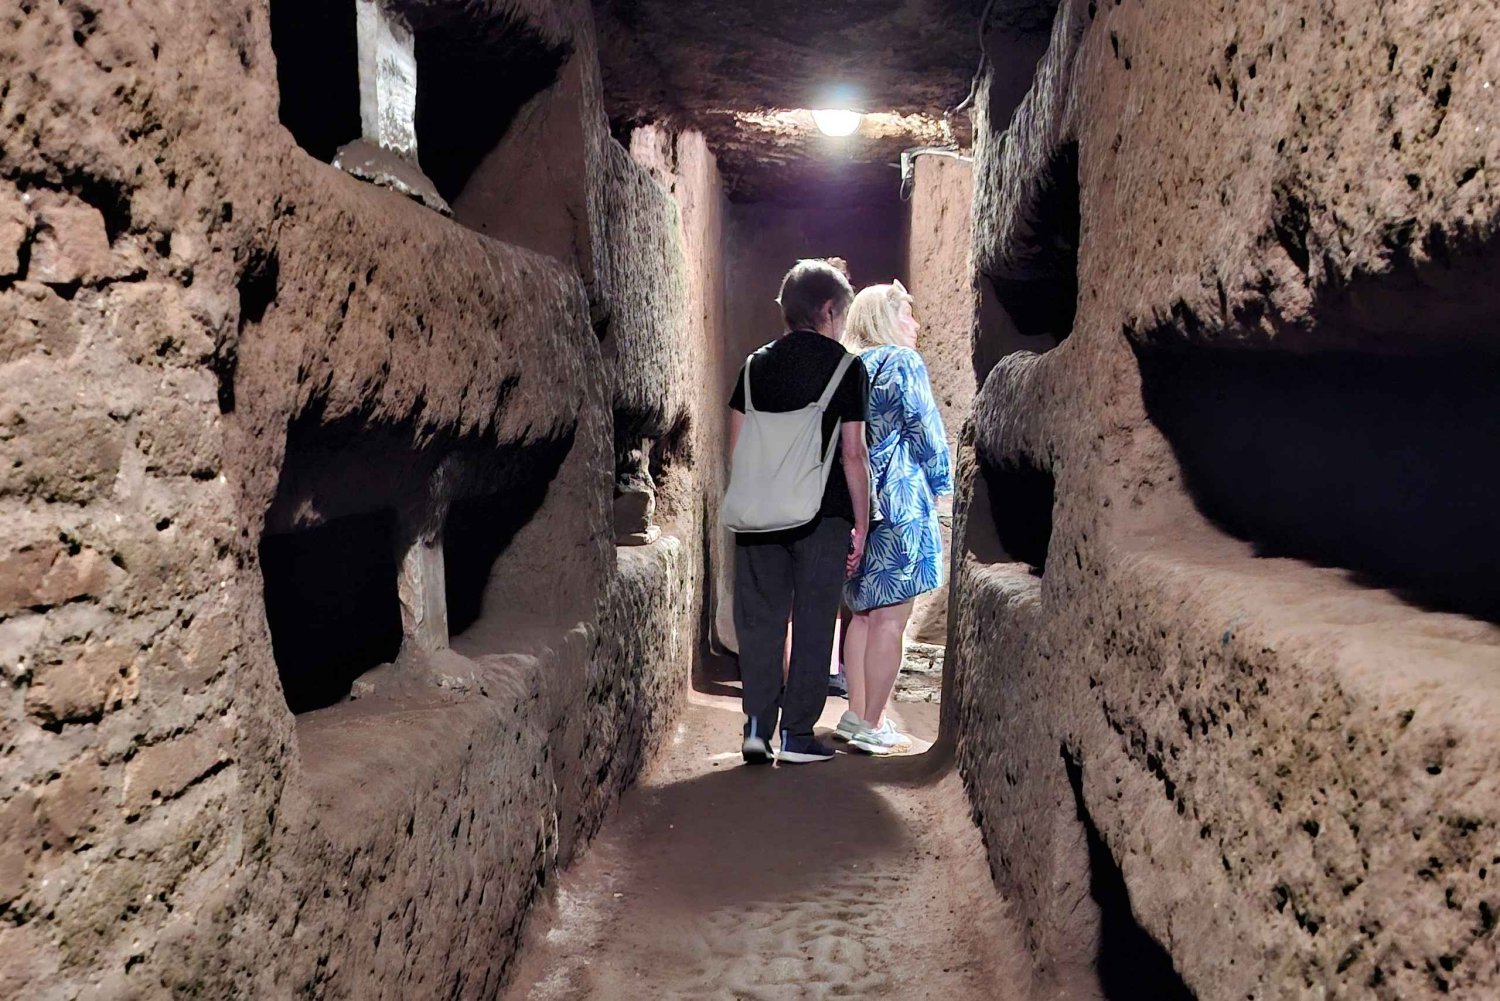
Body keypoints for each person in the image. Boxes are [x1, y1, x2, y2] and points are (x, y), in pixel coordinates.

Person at [728, 259, 870, 765]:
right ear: (828, 309)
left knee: (761, 621)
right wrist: (862, 522)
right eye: (843, 314)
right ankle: (798, 735)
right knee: (814, 621)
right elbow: (853, 454)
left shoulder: (753, 366)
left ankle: (756, 727)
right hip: (823, 515)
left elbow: (738, 448)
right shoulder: (847, 367)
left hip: (759, 512)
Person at [835, 280, 952, 756]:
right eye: (907, 314)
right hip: (900, 497)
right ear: (885, 319)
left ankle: (855, 716)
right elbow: (925, 429)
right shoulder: (902, 362)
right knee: (891, 619)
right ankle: (873, 721)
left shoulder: (848, 364)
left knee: (862, 614)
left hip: (858, 496)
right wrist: (945, 484)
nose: (916, 324)